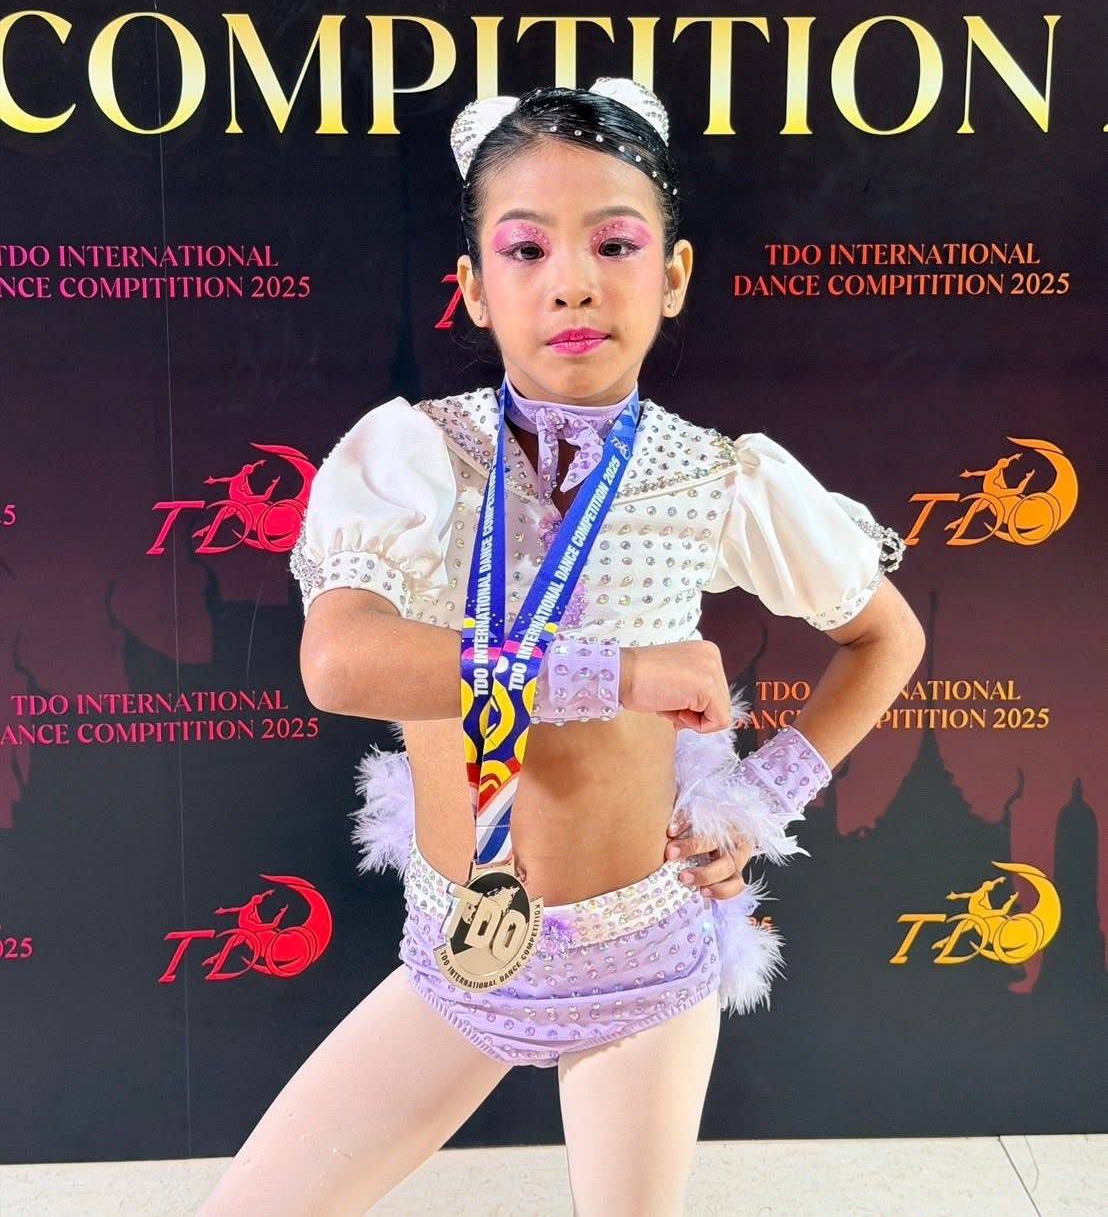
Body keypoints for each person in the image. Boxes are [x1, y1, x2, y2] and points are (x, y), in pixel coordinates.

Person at [197, 78, 925, 1216]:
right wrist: (614, 674)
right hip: (457, 949)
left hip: (645, 960)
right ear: (472, 289)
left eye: (615, 244)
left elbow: (885, 636)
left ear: (672, 275)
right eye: (526, 249)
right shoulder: (416, 458)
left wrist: (754, 800)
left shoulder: (714, 475)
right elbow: (339, 663)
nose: (572, 281)